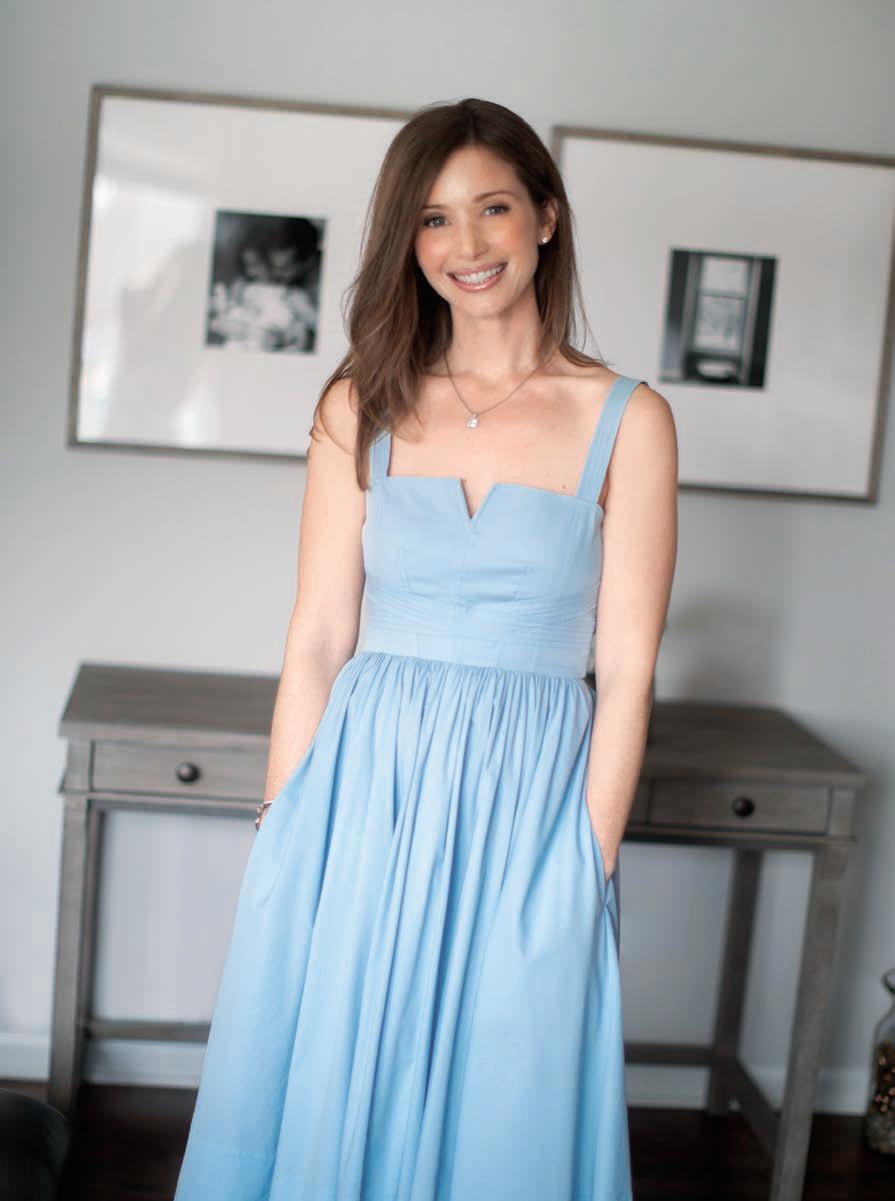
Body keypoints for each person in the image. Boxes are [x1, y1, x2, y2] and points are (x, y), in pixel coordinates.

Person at [174, 97, 678, 1200]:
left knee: (501, 1103)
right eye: (433, 219)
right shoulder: (360, 402)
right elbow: (317, 635)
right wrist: (283, 819)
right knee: (334, 1079)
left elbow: (629, 671)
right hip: (363, 794)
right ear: (407, 240)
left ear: (545, 215)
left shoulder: (628, 421)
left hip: (530, 806)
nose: (466, 245)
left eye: (491, 208)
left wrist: (585, 861)